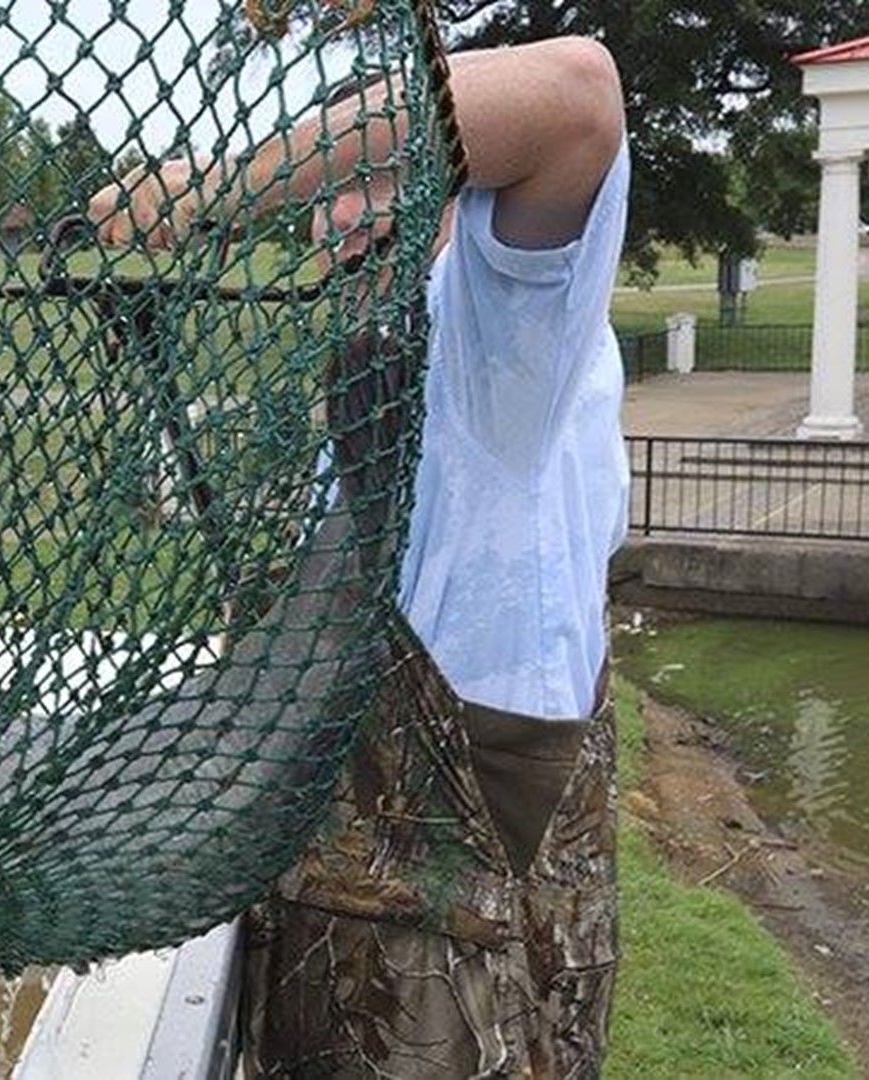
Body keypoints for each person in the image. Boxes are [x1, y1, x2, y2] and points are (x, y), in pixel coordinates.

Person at [92, 35, 630, 1078]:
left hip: (456, 948)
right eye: (332, 193)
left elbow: (579, 96)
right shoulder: (389, 353)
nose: (342, 214)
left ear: (460, 184)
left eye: (374, 175)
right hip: (353, 942)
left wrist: (210, 187)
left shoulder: (499, 331)